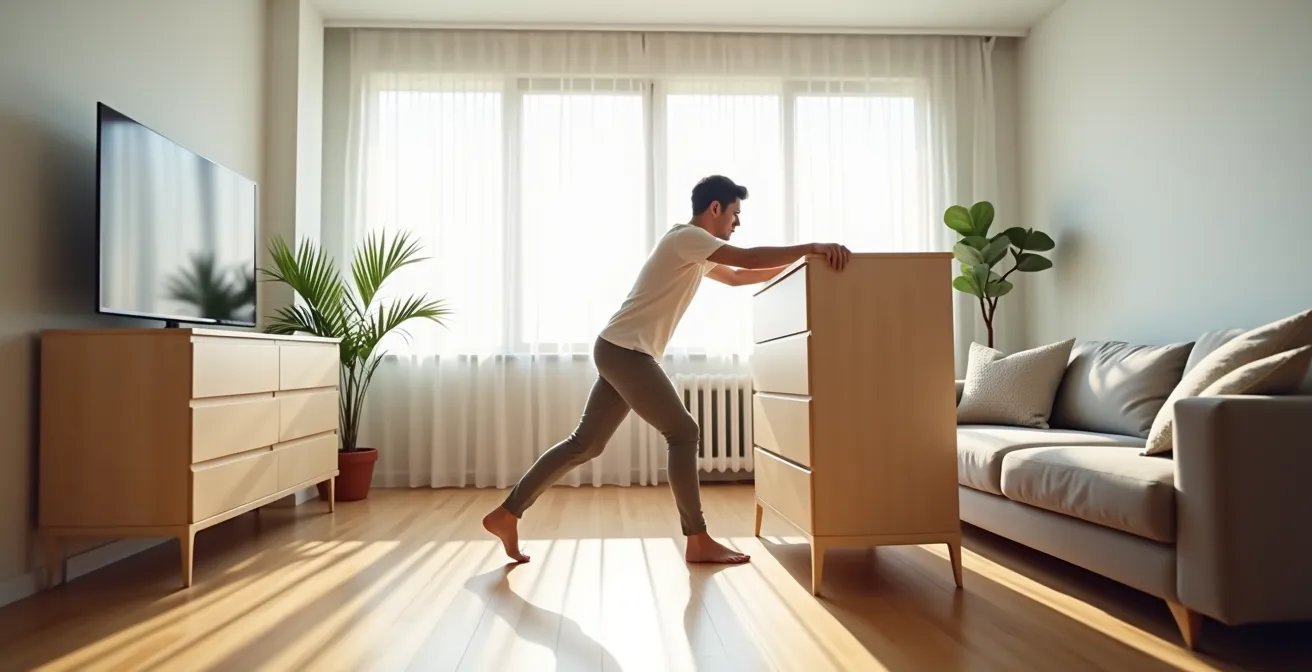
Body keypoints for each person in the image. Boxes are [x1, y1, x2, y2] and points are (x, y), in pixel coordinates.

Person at [483, 175, 852, 564]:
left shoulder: (696, 251)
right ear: (715, 209)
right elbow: (745, 258)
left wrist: (801, 266)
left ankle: (506, 514)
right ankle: (697, 539)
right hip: (626, 352)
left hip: (617, 348)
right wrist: (811, 246)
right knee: (683, 431)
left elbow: (739, 276)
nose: (737, 223)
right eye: (734, 214)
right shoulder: (685, 238)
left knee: (585, 444)